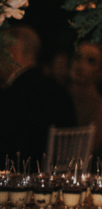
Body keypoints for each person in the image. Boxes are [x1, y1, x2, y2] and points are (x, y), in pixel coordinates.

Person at [0, 25, 77, 165]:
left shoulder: (14, 96)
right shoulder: (59, 92)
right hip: (57, 173)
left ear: (13, 53)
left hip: (20, 173)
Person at [70, 42, 102, 157]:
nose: (81, 64)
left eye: (91, 61)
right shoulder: (61, 98)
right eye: (78, 57)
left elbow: (87, 152)